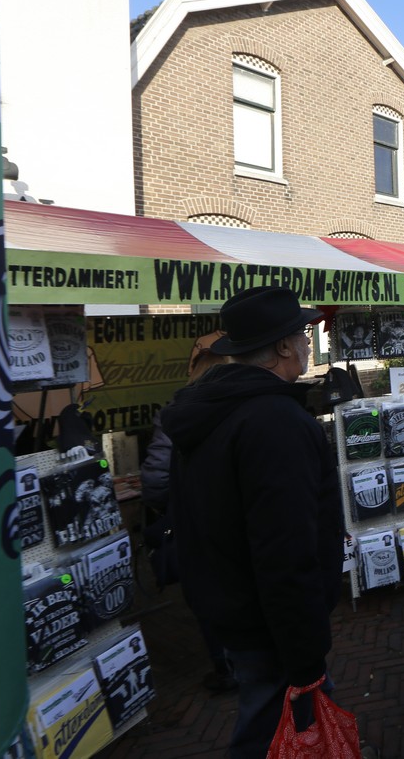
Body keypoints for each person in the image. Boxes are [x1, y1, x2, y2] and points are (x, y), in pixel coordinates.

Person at [162, 287, 343, 759]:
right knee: (270, 730)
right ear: (283, 346)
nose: (308, 343)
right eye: (303, 335)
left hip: (234, 607)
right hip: (270, 623)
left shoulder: (211, 409)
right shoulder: (274, 422)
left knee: (280, 718)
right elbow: (285, 549)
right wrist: (305, 653)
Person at [139, 331, 233, 692]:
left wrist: (175, 504)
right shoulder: (246, 409)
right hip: (235, 522)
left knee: (207, 594)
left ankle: (224, 667)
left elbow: (154, 481)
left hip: (194, 527)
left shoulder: (174, 415)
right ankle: (244, 661)